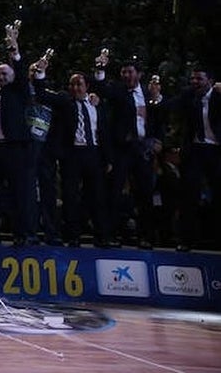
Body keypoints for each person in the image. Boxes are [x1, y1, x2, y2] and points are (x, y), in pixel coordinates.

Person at [90, 53, 164, 248]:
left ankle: (146, 236)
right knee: (113, 192)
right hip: (121, 149)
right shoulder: (118, 91)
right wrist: (100, 70)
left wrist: (157, 139)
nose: (126, 75)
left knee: (145, 193)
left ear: (139, 74)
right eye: (124, 72)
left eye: (130, 72)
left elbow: (157, 119)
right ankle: (109, 235)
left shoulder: (149, 95)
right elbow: (102, 88)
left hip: (142, 150)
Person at [36, 69, 112, 247]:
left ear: (87, 87)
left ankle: (102, 236)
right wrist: (40, 74)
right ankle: (73, 236)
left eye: (79, 84)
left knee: (97, 196)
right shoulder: (64, 101)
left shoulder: (96, 103)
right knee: (70, 197)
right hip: (71, 155)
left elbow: (104, 131)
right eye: (72, 84)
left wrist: (108, 159)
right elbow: (41, 94)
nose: (75, 88)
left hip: (93, 154)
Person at [150, 67, 221, 251]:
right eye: (193, 78)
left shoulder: (219, 95)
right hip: (196, 150)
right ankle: (186, 240)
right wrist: (157, 98)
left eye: (199, 78)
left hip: (216, 152)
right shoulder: (189, 95)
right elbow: (168, 106)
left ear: (210, 81)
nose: (195, 82)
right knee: (188, 195)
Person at [0, 22, 35, 245]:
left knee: (16, 193)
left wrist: (15, 51)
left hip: (13, 149)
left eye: (4, 74)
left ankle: (19, 234)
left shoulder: (18, 92)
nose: (1, 77)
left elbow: (21, 75)